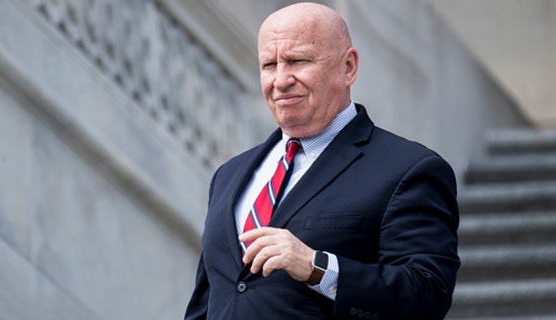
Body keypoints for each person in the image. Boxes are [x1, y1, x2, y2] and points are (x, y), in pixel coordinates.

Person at [185, 2, 460, 319]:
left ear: (348, 67)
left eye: (297, 61)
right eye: (269, 65)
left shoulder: (409, 170)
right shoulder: (228, 175)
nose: (281, 79)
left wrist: (316, 267)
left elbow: (427, 295)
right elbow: (210, 301)